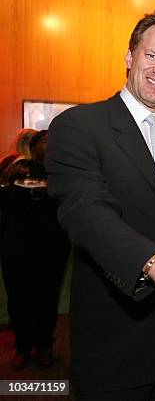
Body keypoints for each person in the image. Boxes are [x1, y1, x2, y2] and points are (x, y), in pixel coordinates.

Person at [46, 10, 155, 400]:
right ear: (129, 56)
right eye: (151, 56)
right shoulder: (79, 126)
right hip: (117, 351)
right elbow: (87, 212)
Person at [0, 130, 70, 370]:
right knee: (19, 300)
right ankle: (22, 346)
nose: (50, 145)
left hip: (52, 249)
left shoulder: (64, 172)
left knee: (47, 300)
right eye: (44, 140)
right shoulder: (14, 167)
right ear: (33, 145)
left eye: (55, 140)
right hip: (15, 248)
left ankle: (44, 347)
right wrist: (7, 180)